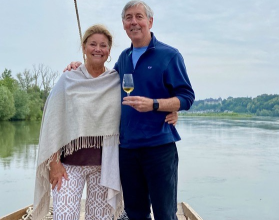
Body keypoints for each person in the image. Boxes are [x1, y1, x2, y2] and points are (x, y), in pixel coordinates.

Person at [65, 1, 194, 219]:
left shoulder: (170, 55)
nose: (134, 22)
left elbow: (187, 97)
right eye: (128, 18)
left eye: (139, 16)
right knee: (135, 212)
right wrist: (81, 66)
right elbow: (102, 82)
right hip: (127, 149)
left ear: (150, 21)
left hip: (159, 149)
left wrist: (156, 104)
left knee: (165, 213)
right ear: (124, 25)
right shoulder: (123, 58)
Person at [34, 24, 122, 220]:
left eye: (103, 45)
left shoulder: (115, 80)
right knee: (64, 216)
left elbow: (135, 104)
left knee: (100, 218)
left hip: (104, 166)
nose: (98, 49)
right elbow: (53, 122)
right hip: (68, 165)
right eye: (93, 44)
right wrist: (54, 163)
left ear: (109, 51)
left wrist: (170, 109)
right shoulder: (68, 79)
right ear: (84, 47)